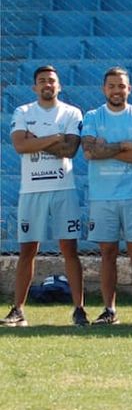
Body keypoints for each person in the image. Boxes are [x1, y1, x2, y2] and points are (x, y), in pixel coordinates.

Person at [3, 66, 87, 327]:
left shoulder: (71, 112)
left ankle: (79, 309)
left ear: (59, 86)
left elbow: (70, 150)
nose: (47, 84)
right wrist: (55, 137)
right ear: (34, 87)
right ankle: (18, 310)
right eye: (42, 81)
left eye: (51, 81)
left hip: (63, 188)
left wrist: (36, 140)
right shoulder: (23, 112)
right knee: (27, 250)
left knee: (69, 249)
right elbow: (20, 145)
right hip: (32, 190)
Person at [80, 67, 132, 325]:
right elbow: (89, 152)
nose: (116, 91)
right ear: (104, 89)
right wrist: (123, 145)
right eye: (111, 86)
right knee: (108, 253)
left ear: (129, 89)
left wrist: (106, 149)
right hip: (102, 197)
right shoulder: (93, 116)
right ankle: (109, 310)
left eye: (121, 86)